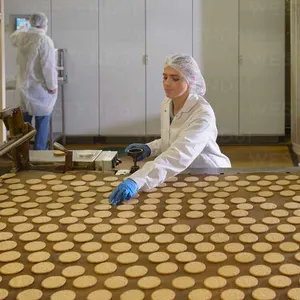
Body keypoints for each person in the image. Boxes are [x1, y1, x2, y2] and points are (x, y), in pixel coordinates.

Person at [109, 54, 231, 206]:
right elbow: (173, 139)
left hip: (207, 173)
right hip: (180, 173)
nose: (167, 83)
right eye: (164, 77)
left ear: (191, 80)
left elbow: (179, 154)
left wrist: (137, 180)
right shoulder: (167, 103)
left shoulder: (202, 114)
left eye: (175, 78)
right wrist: (150, 148)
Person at [10, 12, 58, 150]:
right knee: (42, 123)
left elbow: (13, 36)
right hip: (40, 90)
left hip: (23, 88)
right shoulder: (44, 40)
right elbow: (48, 67)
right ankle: (40, 155)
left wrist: (27, 27)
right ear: (44, 25)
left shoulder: (21, 38)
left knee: (23, 125)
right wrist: (52, 86)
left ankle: (22, 155)